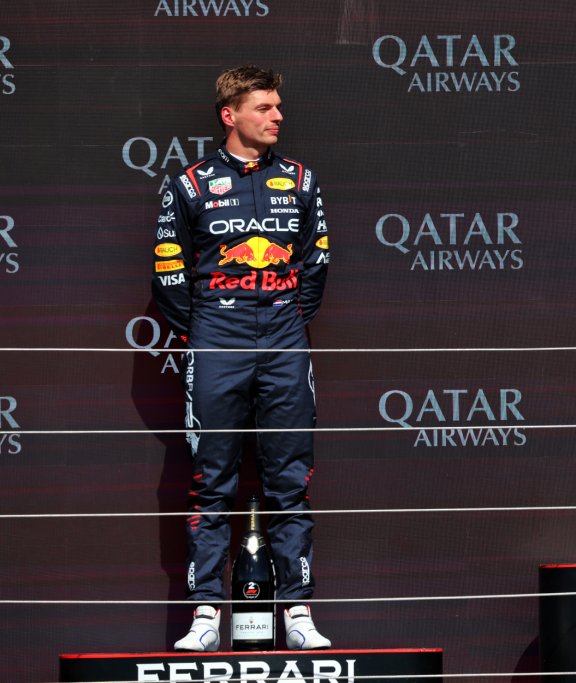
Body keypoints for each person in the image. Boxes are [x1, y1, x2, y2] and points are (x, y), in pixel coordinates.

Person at [152, 66, 332, 651]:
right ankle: (206, 613)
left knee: (290, 479)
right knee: (210, 481)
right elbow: (169, 271)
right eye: (264, 107)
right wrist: (209, 327)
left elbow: (316, 264)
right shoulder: (190, 184)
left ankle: (297, 611)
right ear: (230, 115)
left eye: (278, 106)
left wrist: (283, 316)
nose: (277, 116)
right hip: (217, 338)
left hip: (283, 338)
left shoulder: (301, 180)